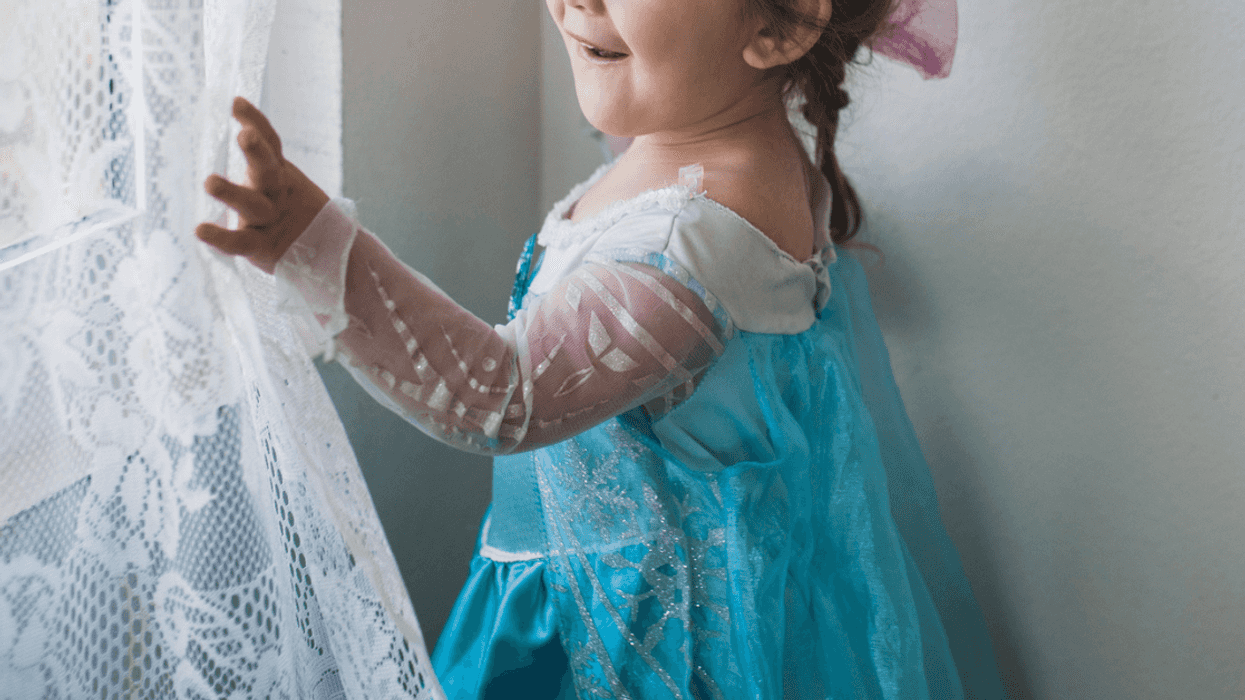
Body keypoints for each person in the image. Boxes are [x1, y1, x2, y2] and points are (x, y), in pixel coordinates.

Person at [197, 0, 1010, 696]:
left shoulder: (694, 240)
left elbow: (503, 395)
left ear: (780, 26)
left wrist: (315, 249)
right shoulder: (721, 141)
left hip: (622, 641)